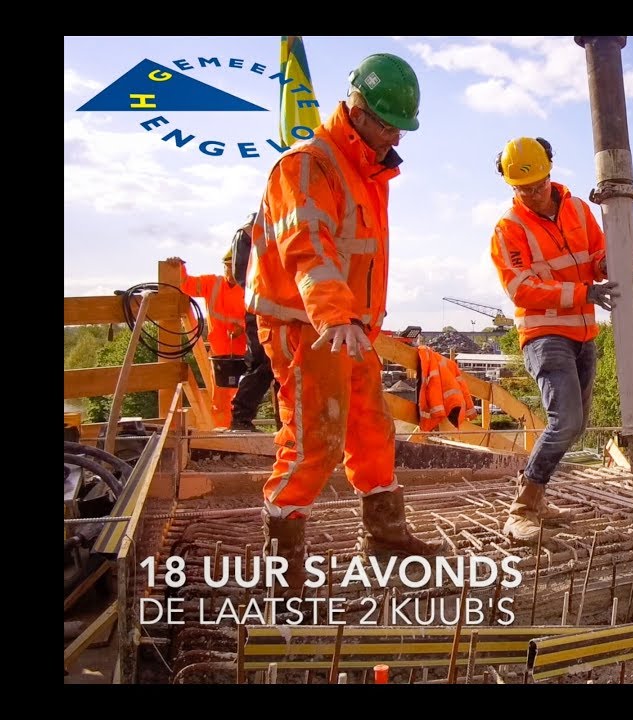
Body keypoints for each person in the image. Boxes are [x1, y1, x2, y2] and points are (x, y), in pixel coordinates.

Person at [244, 52, 438, 589]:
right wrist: (335, 314)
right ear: (357, 109)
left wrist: (352, 320)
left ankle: (386, 536)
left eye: (401, 128)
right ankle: (283, 570)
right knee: (314, 441)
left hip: (348, 327)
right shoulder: (307, 165)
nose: (395, 138)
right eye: (388, 125)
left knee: (371, 428)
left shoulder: (368, 170)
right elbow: (308, 246)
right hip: (306, 325)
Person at [488, 136, 616, 544]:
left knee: (575, 426)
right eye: (523, 188)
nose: (533, 193)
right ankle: (522, 509)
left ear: (550, 171)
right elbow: (522, 289)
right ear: (511, 184)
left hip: (583, 332)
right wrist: (582, 292)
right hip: (544, 334)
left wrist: (608, 263)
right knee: (566, 421)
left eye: (538, 184)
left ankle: (538, 500)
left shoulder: (578, 208)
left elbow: (596, 255)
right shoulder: (509, 228)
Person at [164, 251, 246, 429]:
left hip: (246, 352)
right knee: (221, 399)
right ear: (224, 267)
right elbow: (187, 284)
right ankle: (224, 431)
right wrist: (179, 267)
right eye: (228, 267)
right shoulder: (212, 283)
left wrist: (243, 327)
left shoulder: (249, 287)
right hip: (220, 353)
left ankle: (240, 427)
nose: (232, 271)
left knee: (244, 396)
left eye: (235, 267)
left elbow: (260, 314)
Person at [227, 212, 276, 433]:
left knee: (281, 367)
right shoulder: (251, 231)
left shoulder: (258, 228)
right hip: (264, 307)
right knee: (262, 364)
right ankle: (241, 418)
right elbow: (243, 276)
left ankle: (287, 425)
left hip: (271, 306)